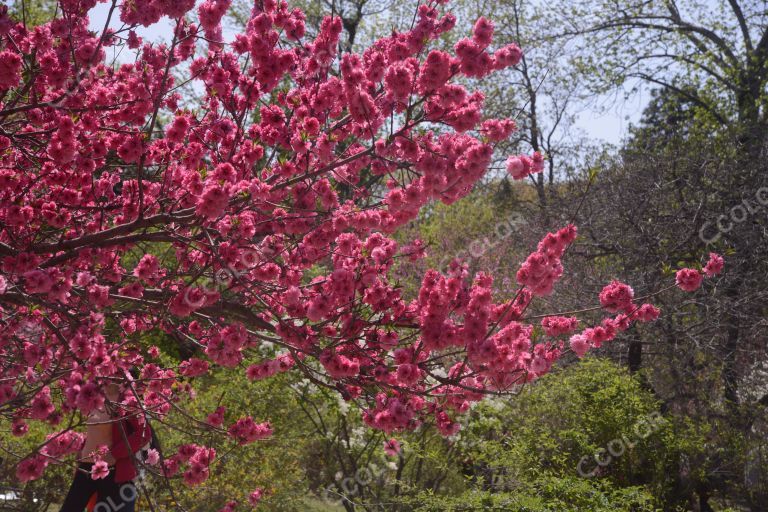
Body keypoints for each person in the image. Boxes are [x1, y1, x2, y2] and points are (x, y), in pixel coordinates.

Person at [60, 383, 151, 512]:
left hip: (112, 469)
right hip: (86, 467)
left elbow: (144, 434)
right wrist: (81, 450)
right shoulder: (95, 395)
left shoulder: (128, 401)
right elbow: (96, 430)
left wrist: (115, 454)